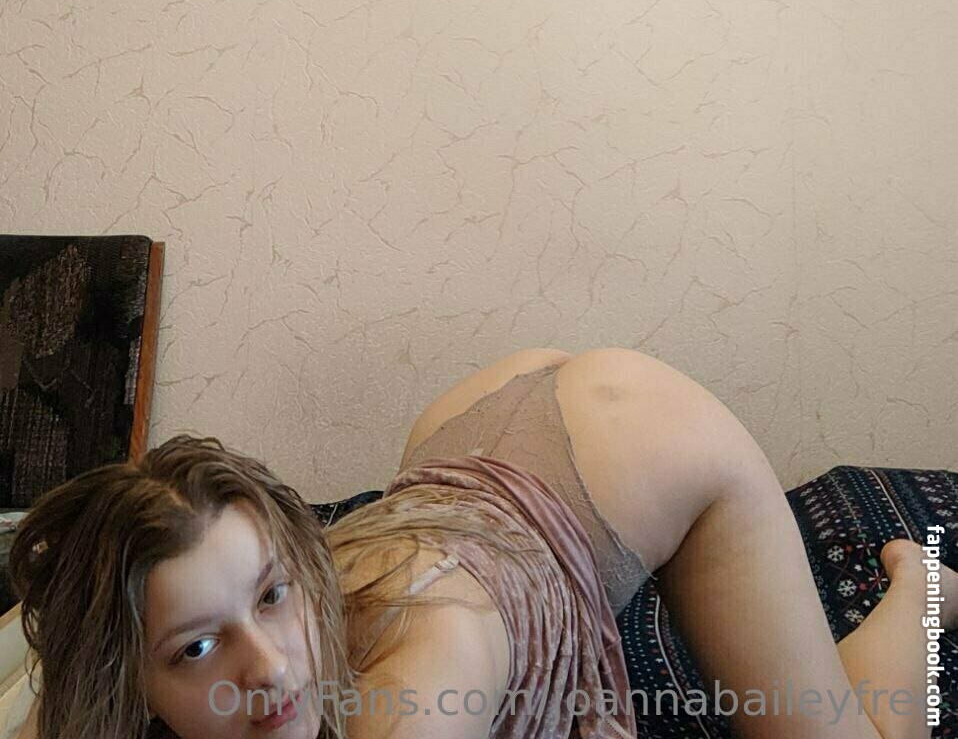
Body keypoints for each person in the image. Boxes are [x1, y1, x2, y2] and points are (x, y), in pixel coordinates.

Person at [8, 346, 957, 739]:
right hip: (467, 437)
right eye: (197, 647)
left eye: (272, 594)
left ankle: (920, 592)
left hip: (645, 444)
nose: (269, 667)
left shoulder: (412, 705)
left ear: (293, 556)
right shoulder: (106, 654)